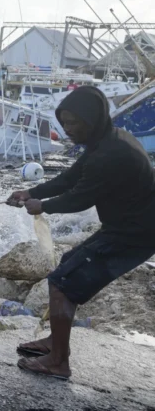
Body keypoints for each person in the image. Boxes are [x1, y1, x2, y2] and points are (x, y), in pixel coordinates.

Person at [8, 86, 155, 380]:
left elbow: (79, 198)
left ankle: (58, 362)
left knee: (62, 282)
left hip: (136, 232)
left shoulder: (111, 153)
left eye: (74, 123)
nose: (68, 130)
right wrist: (31, 191)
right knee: (68, 263)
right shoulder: (105, 141)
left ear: (92, 118)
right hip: (127, 226)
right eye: (65, 124)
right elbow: (71, 178)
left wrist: (41, 206)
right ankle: (55, 342)